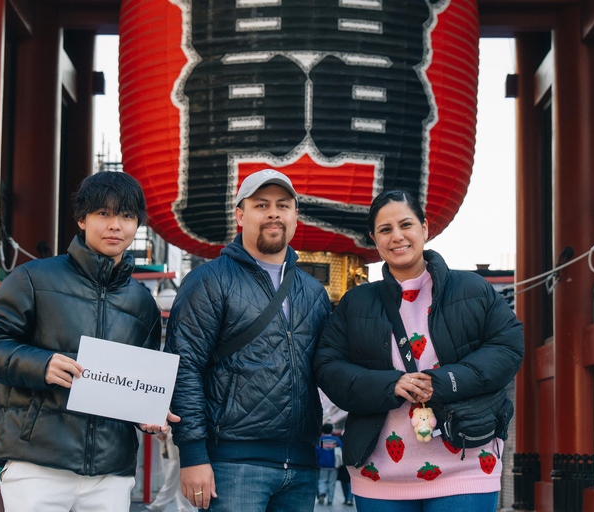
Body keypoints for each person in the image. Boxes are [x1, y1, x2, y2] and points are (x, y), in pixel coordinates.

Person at [0, 171, 175, 512]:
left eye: (126, 216)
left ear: (137, 224)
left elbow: (139, 379)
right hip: (38, 462)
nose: (115, 225)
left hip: (111, 470)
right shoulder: (34, 278)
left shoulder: (143, 304)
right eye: (103, 213)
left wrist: (146, 412)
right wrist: (42, 365)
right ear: (82, 219)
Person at [313, 190, 524, 512]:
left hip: (466, 464)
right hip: (379, 473)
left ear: (424, 228)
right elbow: (327, 366)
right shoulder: (355, 303)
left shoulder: (473, 289)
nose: (397, 236)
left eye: (406, 224)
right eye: (385, 229)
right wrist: (390, 384)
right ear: (374, 239)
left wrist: (445, 381)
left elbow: (507, 345)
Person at [165, 169, 332, 511]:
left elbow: (329, 368)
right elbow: (184, 367)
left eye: (283, 205)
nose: (273, 213)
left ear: (295, 216)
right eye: (261, 205)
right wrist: (192, 454)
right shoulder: (209, 280)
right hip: (232, 463)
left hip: (301, 466)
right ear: (240, 216)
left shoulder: (314, 292)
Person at [147, 428, 197, 512]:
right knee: (178, 472)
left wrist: (161, 432)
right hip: (177, 433)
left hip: (177, 433)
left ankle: (160, 504)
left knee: (176, 468)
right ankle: (185, 508)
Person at [316, 423, 342, 506]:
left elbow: (317, 451)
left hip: (323, 464)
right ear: (331, 430)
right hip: (334, 465)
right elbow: (341, 451)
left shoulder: (321, 440)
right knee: (332, 483)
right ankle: (330, 500)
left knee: (322, 480)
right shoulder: (336, 440)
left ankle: (322, 492)